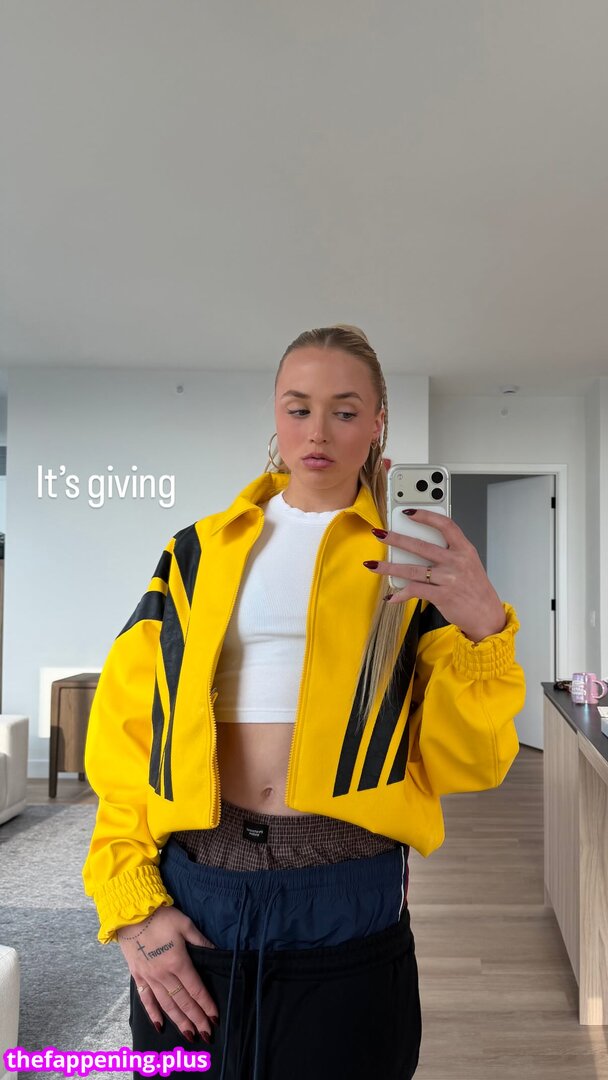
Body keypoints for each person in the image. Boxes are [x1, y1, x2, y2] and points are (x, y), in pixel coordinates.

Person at [82, 324, 526, 1080]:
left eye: (345, 411)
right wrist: (132, 907)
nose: (318, 432)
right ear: (276, 415)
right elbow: (128, 737)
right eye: (299, 408)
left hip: (348, 888)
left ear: (378, 421)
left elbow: (470, 764)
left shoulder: (411, 566)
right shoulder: (195, 553)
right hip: (201, 880)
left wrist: (484, 629)